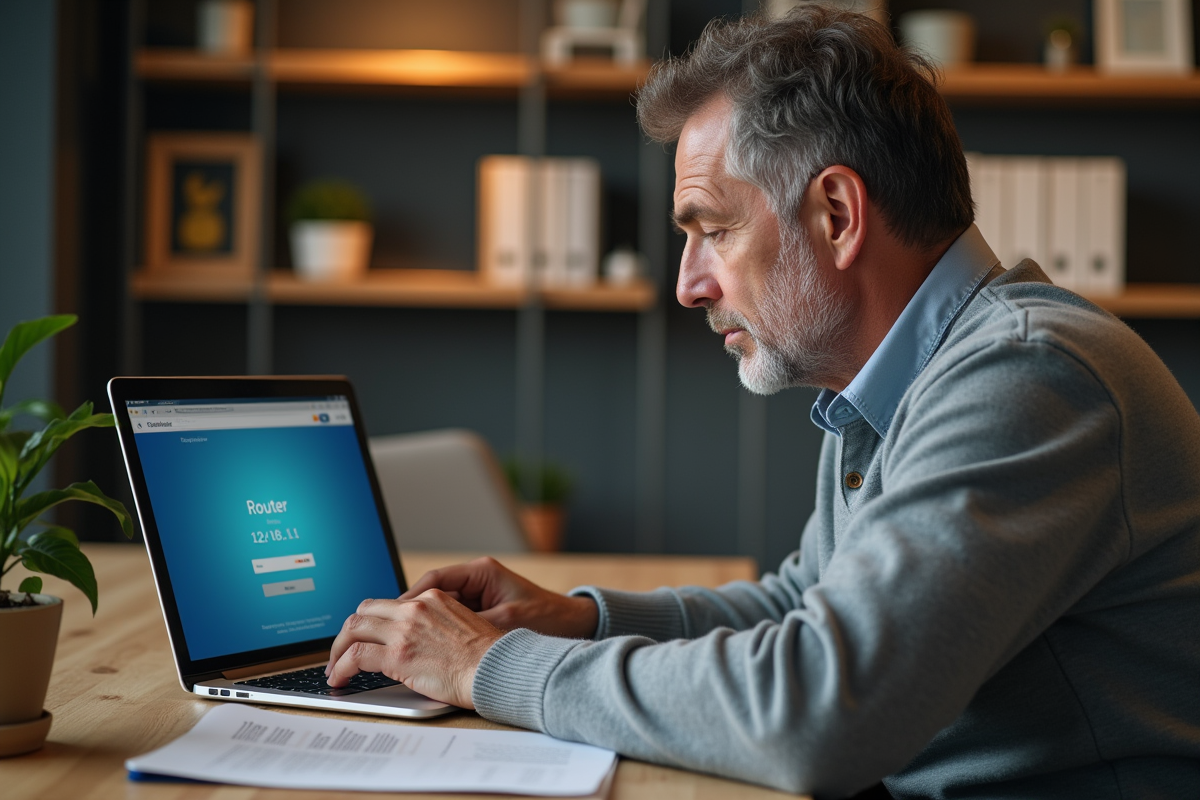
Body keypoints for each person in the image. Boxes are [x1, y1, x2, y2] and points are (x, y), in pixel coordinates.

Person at [325, 8, 1200, 798]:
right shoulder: (900, 379)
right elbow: (803, 605)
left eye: (713, 228)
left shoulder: (1026, 378)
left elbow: (820, 712)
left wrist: (491, 666)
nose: (688, 285)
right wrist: (580, 620)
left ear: (836, 215)